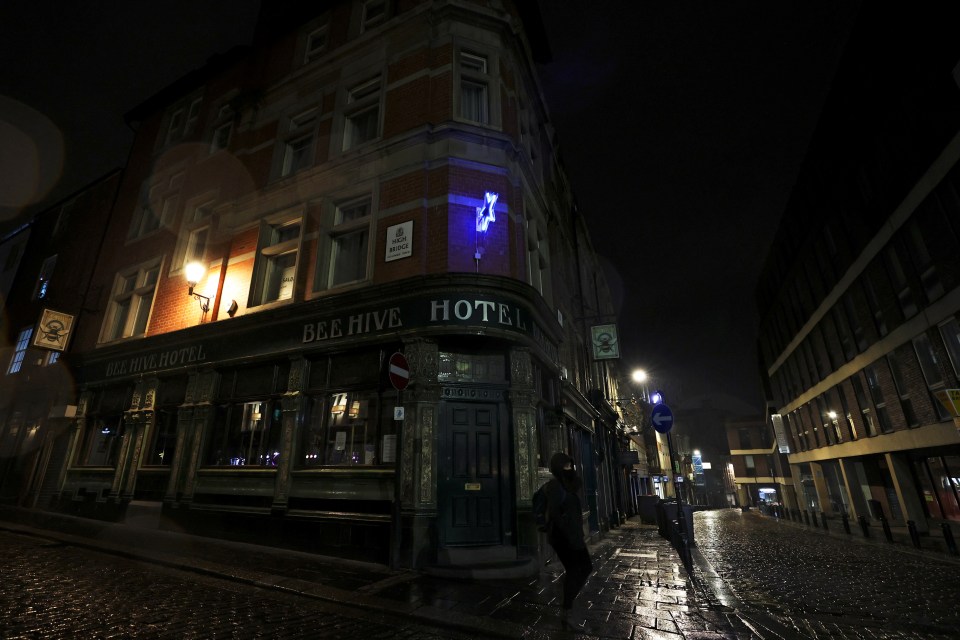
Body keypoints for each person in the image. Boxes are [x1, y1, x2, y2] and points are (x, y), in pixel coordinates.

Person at [543, 451, 593, 625]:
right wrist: (568, 532)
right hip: (564, 537)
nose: (570, 468)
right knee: (578, 569)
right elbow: (556, 514)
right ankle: (567, 608)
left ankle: (567, 603)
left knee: (583, 568)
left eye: (570, 465)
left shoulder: (567, 485)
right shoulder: (556, 486)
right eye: (566, 466)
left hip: (572, 535)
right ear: (558, 467)